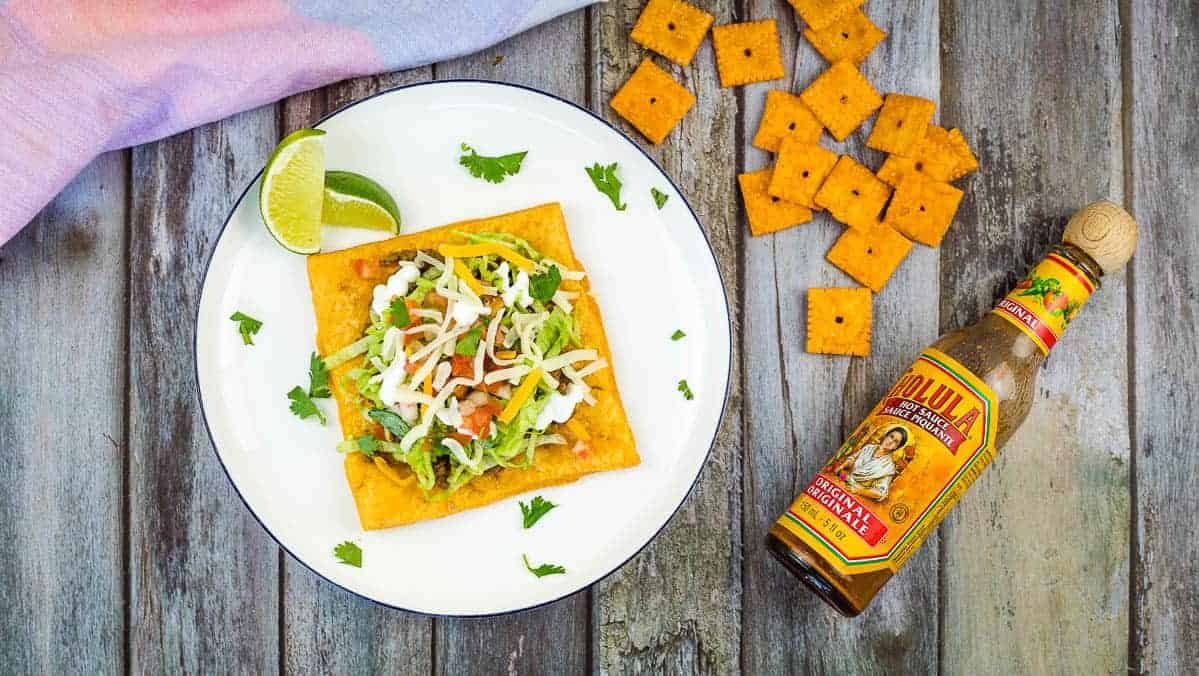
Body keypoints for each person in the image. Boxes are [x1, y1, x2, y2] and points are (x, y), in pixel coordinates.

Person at [831, 426, 908, 502]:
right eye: (891, 436)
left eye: (896, 441)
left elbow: (880, 493)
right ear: (886, 435)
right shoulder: (868, 448)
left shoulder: (889, 467)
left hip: (856, 495)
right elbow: (853, 459)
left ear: (896, 447)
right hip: (845, 479)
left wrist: (858, 490)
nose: (891, 441)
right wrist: (842, 466)